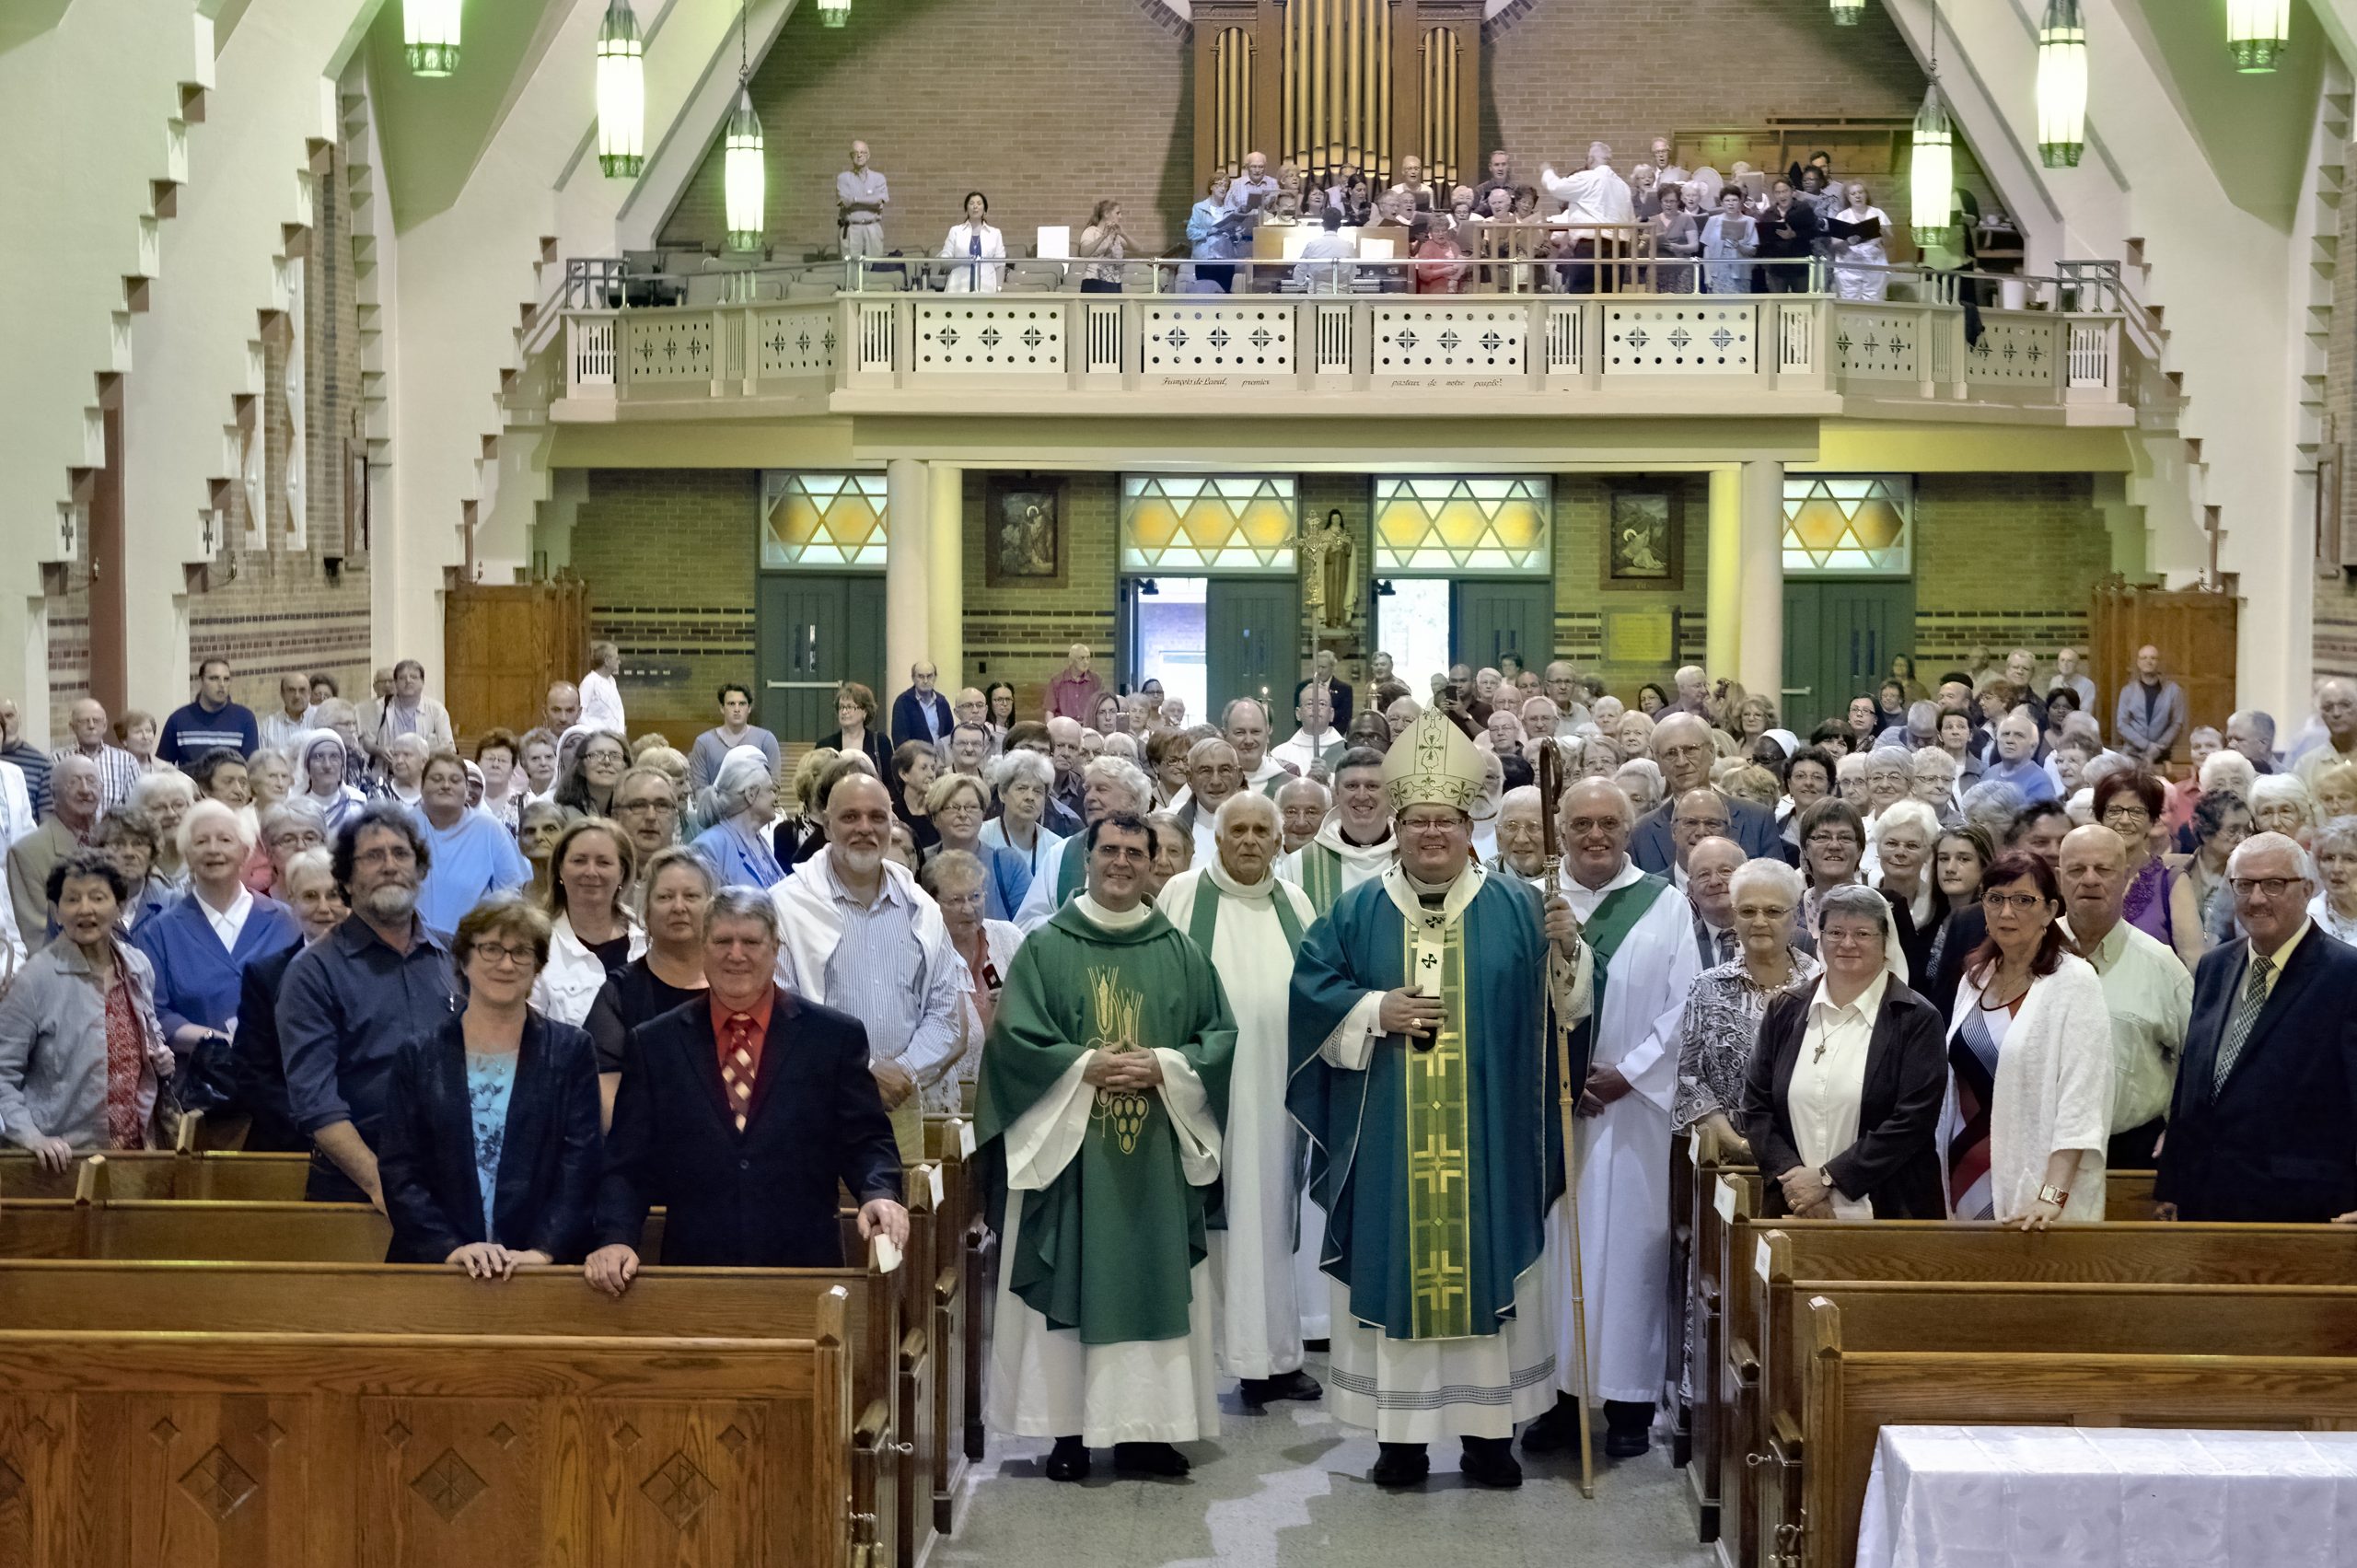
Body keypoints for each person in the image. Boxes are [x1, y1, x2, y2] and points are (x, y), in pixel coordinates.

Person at [1287, 710, 1587, 1488]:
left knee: (1491, 1269)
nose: (1431, 835)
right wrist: (1372, 1010)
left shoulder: (1521, 906)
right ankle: (1402, 1440)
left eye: (1445, 822)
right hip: (1389, 1137)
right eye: (1417, 821)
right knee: (1396, 1269)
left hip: (1489, 1142)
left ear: (1468, 827)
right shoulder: (1356, 911)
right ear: (1397, 823)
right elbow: (1312, 993)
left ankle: (1490, 1438)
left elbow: (1568, 1015)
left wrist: (1570, 953)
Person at [977, 809, 1237, 1481]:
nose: (1121, 862)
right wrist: (1080, 1067)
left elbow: (1218, 1037)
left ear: (1155, 864)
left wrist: (1166, 1068)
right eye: (1110, 850)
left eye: (1135, 852)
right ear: (1086, 859)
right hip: (1070, 1158)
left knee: (1153, 1282)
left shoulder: (1178, 949)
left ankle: (1149, 1432)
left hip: (1153, 1158)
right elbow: (1013, 1043)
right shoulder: (1046, 945)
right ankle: (1065, 1430)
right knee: (1066, 1272)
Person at [586, 887, 908, 1295]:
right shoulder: (655, 1044)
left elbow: (866, 1139)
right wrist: (615, 1236)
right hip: (694, 1274)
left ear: (775, 949)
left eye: (751, 942)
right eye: (722, 941)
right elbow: (627, 1162)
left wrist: (879, 1192)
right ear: (703, 949)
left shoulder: (832, 1038)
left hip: (806, 1271)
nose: (736, 955)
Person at [1155, 792, 1322, 1408]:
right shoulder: (1181, 896)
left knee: (1271, 1219)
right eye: (1238, 830)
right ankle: (1207, 1357)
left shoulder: (1296, 904)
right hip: (1206, 1093)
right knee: (1214, 1221)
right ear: (1217, 839)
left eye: (1261, 830)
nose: (1250, 840)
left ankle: (1275, 1356)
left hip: (1279, 1091)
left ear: (1280, 842)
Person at [375, 896, 602, 1274]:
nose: (506, 963)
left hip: (541, 1267)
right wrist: (450, 1249)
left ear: (538, 966)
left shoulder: (571, 1051)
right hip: (440, 1265)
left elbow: (580, 1164)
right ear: (464, 959)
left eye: (521, 952)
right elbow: (400, 1169)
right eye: (491, 948)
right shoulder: (418, 1055)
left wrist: (543, 1250)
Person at [2154, 831, 2357, 1223]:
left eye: (2275, 884)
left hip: (2304, 1210)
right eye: (2244, 885)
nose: (2257, 898)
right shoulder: (2215, 967)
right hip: (2205, 1202)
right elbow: (2191, 1085)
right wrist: (2173, 1185)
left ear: (2307, 889)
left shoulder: (2347, 976)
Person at [769, 774, 965, 1162]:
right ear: (826, 824)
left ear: (892, 825)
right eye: (850, 817)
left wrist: (904, 1071)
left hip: (901, 1105)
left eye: (877, 817)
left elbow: (946, 1016)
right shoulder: (784, 907)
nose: (864, 828)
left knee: (905, 1215)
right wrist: (862, 1076)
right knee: (823, 1220)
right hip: (815, 1107)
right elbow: (780, 1015)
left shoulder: (921, 908)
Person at [279, 804, 462, 1205]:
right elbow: (316, 1102)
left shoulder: (456, 954)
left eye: (401, 854)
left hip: (457, 1173)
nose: (390, 866)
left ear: (420, 870)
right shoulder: (312, 972)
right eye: (373, 856)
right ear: (345, 876)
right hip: (359, 1184)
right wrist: (381, 1185)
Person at [1741, 883, 1949, 1219]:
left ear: (1886, 943)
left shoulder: (1916, 1019)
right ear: (1819, 938)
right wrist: (1796, 1184)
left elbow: (1912, 1121)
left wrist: (1827, 1179)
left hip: (1888, 1213)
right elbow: (1756, 1106)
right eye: (1836, 931)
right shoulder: (1785, 1010)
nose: (1847, 943)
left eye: (1863, 933)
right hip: (1794, 1209)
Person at [1942, 851, 2114, 1225]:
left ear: (2050, 910)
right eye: (1995, 899)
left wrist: (2052, 1196)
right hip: (1965, 1176)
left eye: (2023, 900)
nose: (2007, 912)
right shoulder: (1976, 977)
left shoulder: (2074, 982)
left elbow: (2081, 1100)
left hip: (2036, 1190)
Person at [0, 849, 177, 1166]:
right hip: (64, 1161)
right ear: (56, 912)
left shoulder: (137, 965)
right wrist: (30, 1136)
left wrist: (161, 1057)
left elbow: (152, 1035)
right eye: (71, 900)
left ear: (119, 906)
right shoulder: (35, 979)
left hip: (139, 1154)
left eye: (97, 897)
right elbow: (3, 1073)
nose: (85, 909)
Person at [2052, 823, 2191, 1172]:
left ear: (2127, 877)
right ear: (2059, 877)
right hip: (2042, 1145)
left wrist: (2181, 1128)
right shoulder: (2029, 955)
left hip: (2134, 1151)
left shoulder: (2161, 965)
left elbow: (2199, 1059)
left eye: (2103, 869)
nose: (2090, 879)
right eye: (2076, 869)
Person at [132, 798, 299, 1068]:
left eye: (224, 840)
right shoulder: (160, 930)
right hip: (202, 1087)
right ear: (187, 855)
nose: (213, 850)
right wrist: (222, 1042)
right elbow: (156, 1013)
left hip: (281, 1077)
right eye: (201, 842)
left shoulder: (286, 920)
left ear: (245, 852)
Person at [1674, 857, 1817, 1156]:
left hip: (1811, 1162)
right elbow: (1690, 1080)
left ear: (1795, 917)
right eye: (1748, 911)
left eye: (1774, 911)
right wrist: (1737, 1145)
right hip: (1729, 1164)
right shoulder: (1706, 987)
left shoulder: (1821, 985)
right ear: (1735, 916)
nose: (1760, 921)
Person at [583, 845, 711, 1129]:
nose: (679, 907)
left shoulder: (737, 988)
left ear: (712, 908)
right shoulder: (618, 994)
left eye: (691, 896)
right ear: (646, 913)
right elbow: (605, 1097)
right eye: (665, 897)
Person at [225, 846, 343, 1151]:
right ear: (291, 901)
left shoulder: (378, 971)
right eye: (309, 896)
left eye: (334, 894)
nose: (324, 907)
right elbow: (253, 1074)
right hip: (290, 1141)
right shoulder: (264, 977)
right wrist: (317, 1127)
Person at [922, 849, 1018, 1113]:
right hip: (950, 1104)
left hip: (1012, 1094)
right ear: (931, 901)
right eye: (955, 900)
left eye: (975, 896)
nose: (968, 908)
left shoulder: (1009, 937)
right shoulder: (924, 954)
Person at [530, 816, 644, 1028]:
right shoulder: (535, 944)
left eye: (603, 862)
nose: (591, 872)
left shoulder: (648, 940)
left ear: (622, 873)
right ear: (560, 870)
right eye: (579, 861)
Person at [2091, 768, 2204, 970]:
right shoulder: (2084, 877)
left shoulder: (2171, 882)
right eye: (2115, 811)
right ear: (2100, 817)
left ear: (2152, 820)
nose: (2125, 820)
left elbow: (2193, 964)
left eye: (2136, 812)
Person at [413, 751, 529, 941]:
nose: (445, 785)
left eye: (455, 780)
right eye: (436, 779)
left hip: (474, 945)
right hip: (412, 946)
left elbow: (512, 892)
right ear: (422, 786)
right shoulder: (404, 826)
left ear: (466, 790)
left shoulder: (490, 828)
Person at [8, 752, 101, 944]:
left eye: (91, 781)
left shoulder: (112, 842)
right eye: (73, 783)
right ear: (53, 795)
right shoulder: (28, 852)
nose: (85, 789)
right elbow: (37, 937)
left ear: (102, 789)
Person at [923, 772, 1028, 921]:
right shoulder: (923, 862)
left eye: (971, 807)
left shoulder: (1008, 863)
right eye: (953, 807)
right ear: (934, 817)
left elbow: (1028, 923)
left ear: (983, 814)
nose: (963, 814)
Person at [691, 749, 786, 890]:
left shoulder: (758, 840)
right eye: (771, 790)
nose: (775, 797)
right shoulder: (709, 847)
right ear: (751, 794)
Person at [1870, 798, 1942, 981]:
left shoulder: (1942, 908)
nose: (1900, 852)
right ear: (1878, 847)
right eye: (1891, 843)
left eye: (1912, 845)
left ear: (1928, 854)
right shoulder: (1863, 902)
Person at [980, 749, 1063, 886]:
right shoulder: (982, 837)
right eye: (1022, 788)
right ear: (1002, 793)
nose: (1030, 797)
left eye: (1038, 791)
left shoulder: (1055, 846)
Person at [157, 658, 261, 769]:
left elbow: (252, 768)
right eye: (214, 678)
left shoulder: (245, 719)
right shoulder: (179, 719)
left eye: (226, 679)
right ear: (201, 681)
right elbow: (162, 765)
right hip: (191, 784)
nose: (221, 684)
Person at [52, 698, 142, 811]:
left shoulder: (126, 761)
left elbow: (135, 810)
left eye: (96, 720)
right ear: (72, 727)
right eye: (84, 721)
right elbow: (53, 805)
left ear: (105, 726)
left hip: (113, 828)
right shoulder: (57, 760)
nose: (91, 726)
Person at [689, 682, 778, 793]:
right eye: (731, 704)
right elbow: (699, 786)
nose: (737, 709)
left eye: (742, 704)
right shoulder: (704, 742)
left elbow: (773, 784)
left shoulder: (766, 739)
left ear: (749, 708)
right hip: (717, 808)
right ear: (722, 708)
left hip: (756, 808)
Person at [2113, 645, 2188, 765]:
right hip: (2132, 754)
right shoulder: (2128, 691)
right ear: (2138, 662)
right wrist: (2146, 746)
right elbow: (2122, 724)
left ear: (2158, 662)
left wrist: (2159, 746)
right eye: (2144, 658)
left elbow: (2177, 723)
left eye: (2153, 658)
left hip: (2162, 754)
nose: (2149, 661)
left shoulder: (2173, 690)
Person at [1826, 180, 1891, 301]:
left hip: (1874, 265)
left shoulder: (1878, 213)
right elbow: (1835, 245)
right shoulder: (1842, 216)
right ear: (1848, 197)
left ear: (1866, 194)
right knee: (1849, 303)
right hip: (1848, 268)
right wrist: (1848, 241)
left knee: (1874, 303)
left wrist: (1884, 232)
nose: (1857, 196)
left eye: (1860, 192)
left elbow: (1890, 242)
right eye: (1853, 193)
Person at [1188, 171, 1244, 294]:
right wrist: (1209, 232)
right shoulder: (1199, 208)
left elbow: (1237, 237)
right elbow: (1191, 232)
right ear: (1211, 187)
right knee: (1205, 294)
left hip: (1226, 260)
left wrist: (1235, 235)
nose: (1223, 188)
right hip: (1205, 260)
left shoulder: (1232, 210)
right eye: (1219, 184)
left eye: (1226, 185)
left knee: (1223, 294)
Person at [942, 191, 1005, 293]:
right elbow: (944, 260)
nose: (975, 206)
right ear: (966, 210)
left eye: (979, 203)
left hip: (987, 289)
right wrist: (963, 261)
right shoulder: (956, 231)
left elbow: (1000, 265)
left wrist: (998, 289)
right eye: (971, 204)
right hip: (958, 288)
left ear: (985, 210)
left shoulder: (995, 233)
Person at [836, 139, 889, 260]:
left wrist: (854, 199)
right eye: (855, 153)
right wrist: (870, 201)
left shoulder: (878, 178)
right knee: (852, 271)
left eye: (863, 152)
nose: (859, 155)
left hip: (873, 229)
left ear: (868, 155)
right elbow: (845, 202)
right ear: (851, 156)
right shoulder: (843, 178)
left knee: (874, 268)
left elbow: (879, 201)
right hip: (851, 229)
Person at [1699, 187, 1757, 295]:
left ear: (1740, 202)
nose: (1731, 204)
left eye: (1734, 200)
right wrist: (1707, 275)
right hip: (1717, 271)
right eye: (1727, 201)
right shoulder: (1713, 220)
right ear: (1722, 203)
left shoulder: (1750, 222)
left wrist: (1739, 246)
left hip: (1741, 272)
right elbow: (1707, 249)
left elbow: (1753, 251)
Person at [890, 661, 955, 748]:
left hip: (940, 758)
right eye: (920, 676)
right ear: (913, 678)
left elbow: (949, 734)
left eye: (929, 676)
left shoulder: (942, 702)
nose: (925, 681)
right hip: (915, 759)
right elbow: (900, 739)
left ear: (935, 677)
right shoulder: (903, 702)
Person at [259, 673, 312, 757]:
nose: (297, 696)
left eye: (302, 690)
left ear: (309, 693)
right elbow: (262, 762)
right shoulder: (268, 726)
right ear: (282, 694)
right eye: (291, 690)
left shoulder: (321, 719)